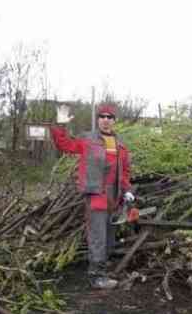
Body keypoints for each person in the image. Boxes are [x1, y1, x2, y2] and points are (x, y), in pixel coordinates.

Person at [50, 103, 134, 289]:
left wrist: (128, 190)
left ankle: (102, 268)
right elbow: (64, 145)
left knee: (110, 237)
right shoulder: (87, 140)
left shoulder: (121, 146)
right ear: (97, 119)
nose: (105, 120)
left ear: (114, 121)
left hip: (115, 197)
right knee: (98, 237)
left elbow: (125, 171)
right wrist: (61, 126)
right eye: (102, 116)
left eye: (109, 117)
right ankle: (97, 277)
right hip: (97, 195)